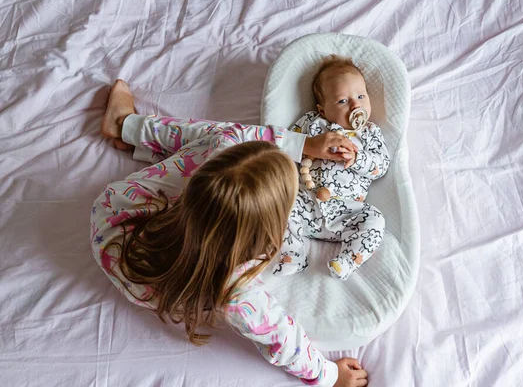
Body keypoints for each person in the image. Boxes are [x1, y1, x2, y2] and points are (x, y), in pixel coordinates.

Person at [91, 80, 368, 386]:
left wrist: (304, 145)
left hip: (113, 220)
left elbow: (236, 137)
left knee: (220, 136)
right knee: (224, 139)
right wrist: (330, 376)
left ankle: (127, 128)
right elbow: (280, 336)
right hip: (146, 276)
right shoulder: (235, 286)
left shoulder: (216, 153)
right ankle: (127, 130)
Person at [273, 56, 390, 281]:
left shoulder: (370, 133)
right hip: (304, 202)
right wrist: (307, 147)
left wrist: (358, 159)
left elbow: (381, 166)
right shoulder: (312, 123)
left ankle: (347, 261)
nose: (355, 105)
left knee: (375, 219)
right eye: (342, 101)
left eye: (361, 96)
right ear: (323, 110)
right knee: (276, 205)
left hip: (345, 212)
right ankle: (292, 254)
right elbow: (285, 146)